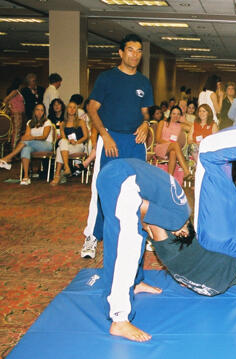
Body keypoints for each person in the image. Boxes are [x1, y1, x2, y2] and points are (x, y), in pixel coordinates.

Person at [98, 113, 236, 342]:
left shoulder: (178, 234)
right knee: (210, 150)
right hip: (212, 233)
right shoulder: (176, 220)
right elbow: (147, 219)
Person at [80, 33, 154, 259]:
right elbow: (92, 108)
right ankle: (92, 236)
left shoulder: (143, 82)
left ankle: (141, 231)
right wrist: (105, 135)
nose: (135, 55)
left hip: (135, 143)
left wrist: (146, 124)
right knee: (102, 189)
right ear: (121, 53)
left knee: (138, 189)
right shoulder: (107, 78)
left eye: (139, 51)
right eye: (130, 50)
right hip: (111, 139)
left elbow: (145, 112)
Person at [0, 104, 54, 185]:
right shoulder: (30, 122)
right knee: (25, 148)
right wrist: (25, 138)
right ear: (34, 111)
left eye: (42, 110)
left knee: (27, 142)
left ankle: (8, 157)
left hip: (46, 145)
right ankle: (26, 177)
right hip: (33, 144)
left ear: (44, 112)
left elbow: (44, 136)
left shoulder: (47, 122)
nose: (39, 112)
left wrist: (31, 137)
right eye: (37, 109)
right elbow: (26, 136)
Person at [50, 101, 89, 185]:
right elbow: (64, 138)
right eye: (70, 107)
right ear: (67, 110)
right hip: (67, 145)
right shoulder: (63, 124)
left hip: (79, 145)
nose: (72, 109)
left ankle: (57, 175)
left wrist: (76, 142)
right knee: (61, 144)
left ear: (76, 110)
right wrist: (69, 141)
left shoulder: (81, 121)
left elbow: (86, 136)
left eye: (74, 107)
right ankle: (66, 168)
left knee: (59, 149)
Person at [154, 106, 191, 180]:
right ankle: (186, 171)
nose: (176, 116)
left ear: (180, 116)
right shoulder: (163, 123)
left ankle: (169, 178)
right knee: (175, 145)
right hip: (161, 147)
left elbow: (193, 127)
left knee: (173, 152)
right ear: (170, 114)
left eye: (178, 114)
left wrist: (185, 121)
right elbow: (157, 139)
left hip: (173, 149)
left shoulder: (180, 125)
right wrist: (170, 144)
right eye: (174, 114)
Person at [3, 77, 25, 147]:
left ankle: (15, 147)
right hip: (16, 113)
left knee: (17, 131)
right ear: (20, 84)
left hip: (18, 113)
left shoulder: (17, 92)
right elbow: (6, 99)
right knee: (16, 131)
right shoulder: (15, 91)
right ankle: (14, 148)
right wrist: (10, 108)